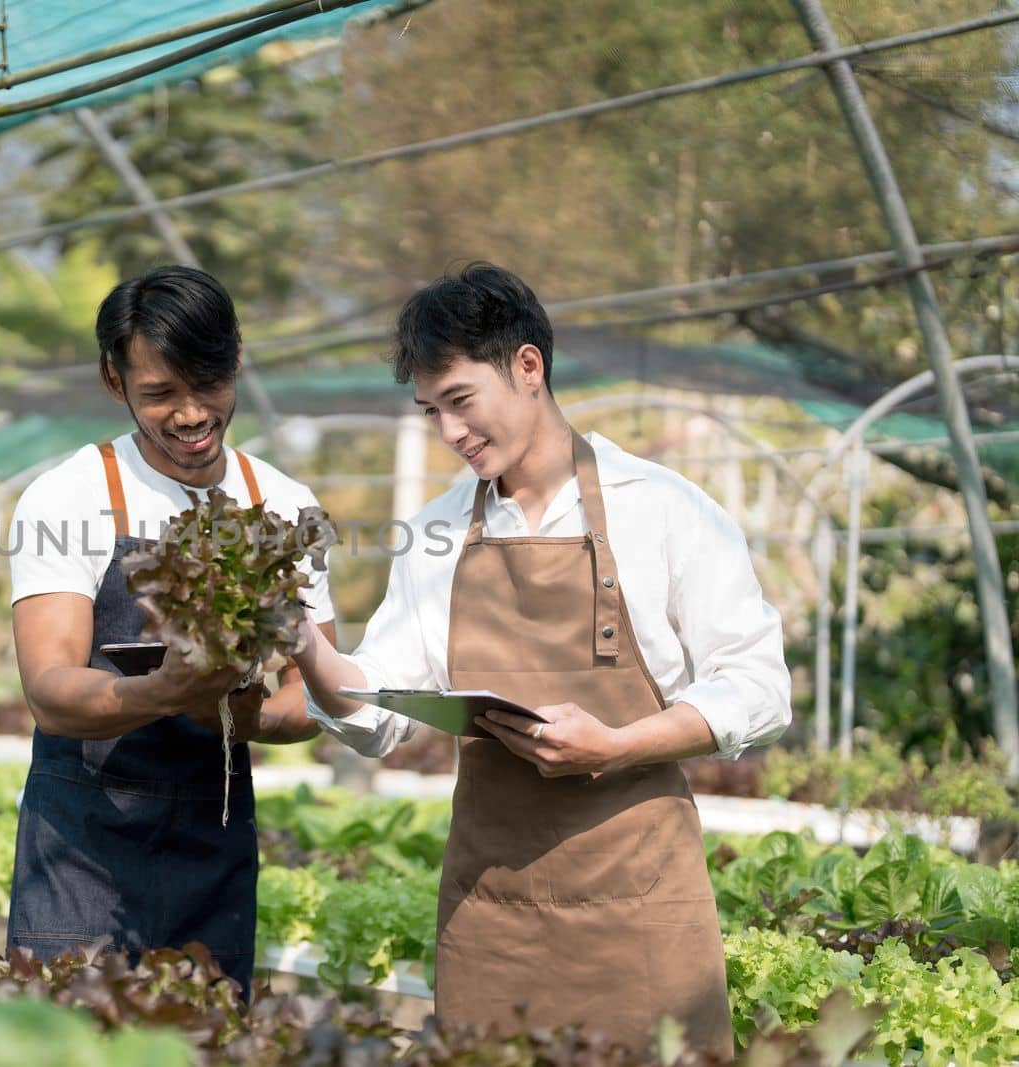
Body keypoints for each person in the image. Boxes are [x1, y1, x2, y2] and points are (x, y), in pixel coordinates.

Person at [293, 263, 789, 1054]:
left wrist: (619, 744)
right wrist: (304, 646)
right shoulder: (438, 531)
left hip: (640, 915)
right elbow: (375, 710)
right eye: (431, 412)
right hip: (491, 918)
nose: (449, 432)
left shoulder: (662, 507)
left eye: (459, 401)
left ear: (528, 368)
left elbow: (759, 686)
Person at [4, 264, 334, 995]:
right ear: (113, 381)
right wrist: (166, 690)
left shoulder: (280, 501)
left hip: (212, 844)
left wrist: (238, 711)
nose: (190, 413)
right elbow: (51, 690)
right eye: (159, 393)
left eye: (208, 383)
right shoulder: (71, 494)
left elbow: (315, 697)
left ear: (237, 356)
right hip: (79, 854)